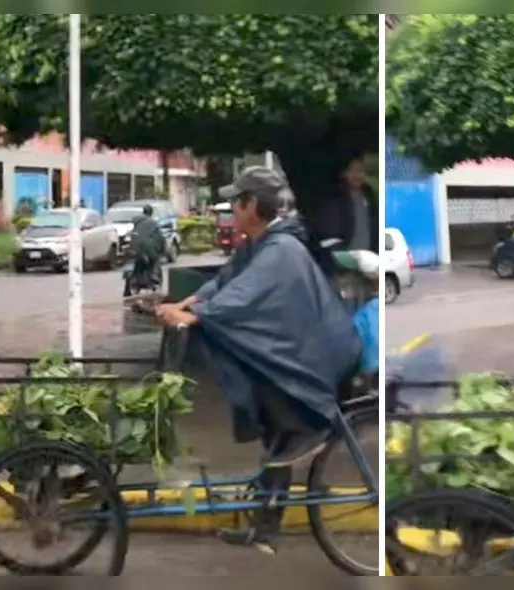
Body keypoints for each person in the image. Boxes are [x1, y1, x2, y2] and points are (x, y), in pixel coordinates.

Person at [157, 166, 361, 467]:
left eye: (236, 202)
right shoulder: (258, 244)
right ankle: (272, 499)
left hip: (318, 352)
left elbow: (243, 295)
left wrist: (197, 315)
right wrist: (188, 303)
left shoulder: (280, 249)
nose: (232, 211)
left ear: (251, 205)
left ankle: (307, 431)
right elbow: (227, 281)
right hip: (304, 343)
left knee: (247, 355)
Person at [314, 156, 379, 253]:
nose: (357, 175)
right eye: (352, 170)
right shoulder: (335, 196)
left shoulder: (367, 193)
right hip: (344, 256)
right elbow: (329, 231)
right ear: (343, 173)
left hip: (368, 256)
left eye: (360, 170)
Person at [123, 204, 165, 296]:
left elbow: (129, 236)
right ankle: (152, 280)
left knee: (135, 261)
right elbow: (160, 238)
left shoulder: (135, 221)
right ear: (151, 212)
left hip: (133, 247)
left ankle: (131, 284)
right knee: (153, 261)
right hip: (147, 248)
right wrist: (162, 250)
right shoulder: (154, 223)